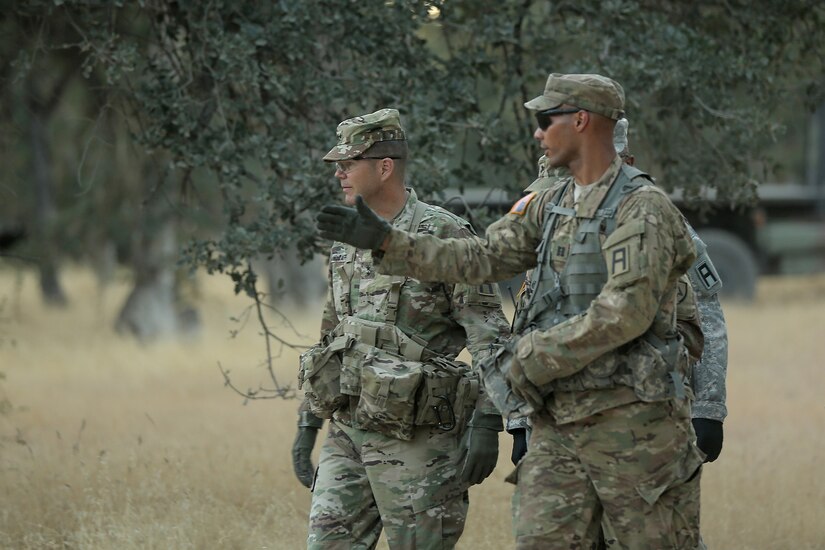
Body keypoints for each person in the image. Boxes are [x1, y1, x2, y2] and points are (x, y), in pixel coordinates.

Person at [317, 74, 706, 548]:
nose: (538, 134)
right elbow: (479, 258)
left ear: (581, 121)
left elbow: (625, 313)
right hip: (558, 425)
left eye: (546, 120)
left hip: (634, 429)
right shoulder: (549, 207)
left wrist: (530, 358)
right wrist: (388, 242)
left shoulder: (641, 209)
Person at [292, 108, 510, 549]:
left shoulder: (444, 235)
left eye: (349, 163)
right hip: (349, 429)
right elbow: (332, 334)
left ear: (384, 166)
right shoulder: (347, 237)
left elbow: (491, 338)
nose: (339, 173)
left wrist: (489, 423)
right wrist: (308, 423)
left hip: (419, 437)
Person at [507, 120, 728, 468]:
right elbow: (527, 315)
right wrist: (519, 420)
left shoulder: (660, 220)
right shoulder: (550, 223)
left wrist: (709, 409)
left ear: (626, 163)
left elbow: (705, 309)